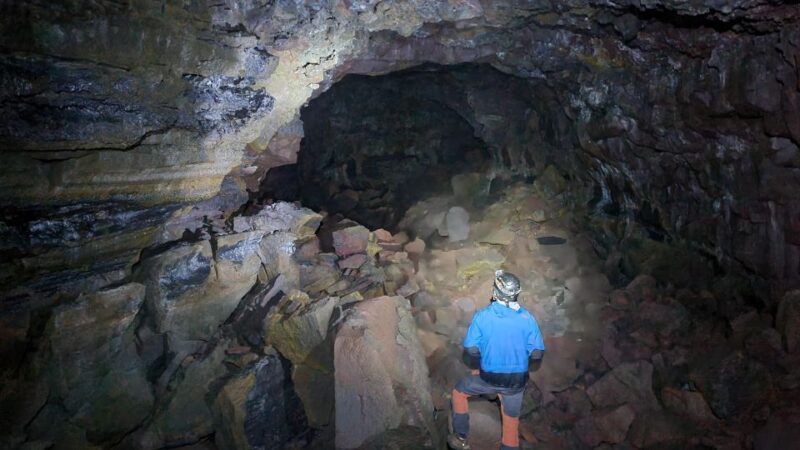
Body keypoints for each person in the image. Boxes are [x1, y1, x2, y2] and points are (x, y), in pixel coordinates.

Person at [448, 270, 545, 450]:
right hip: (516, 382)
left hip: (489, 378)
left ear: (495, 292)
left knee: (459, 392)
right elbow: (537, 353)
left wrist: (486, 358)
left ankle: (461, 437)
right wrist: (519, 361)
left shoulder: (483, 316)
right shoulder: (527, 318)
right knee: (511, 422)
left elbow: (471, 349)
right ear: (516, 294)